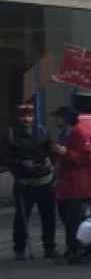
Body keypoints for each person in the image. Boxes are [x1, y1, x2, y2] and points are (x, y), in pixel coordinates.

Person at [4, 100, 57, 260]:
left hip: (45, 181)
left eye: (29, 116)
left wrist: (50, 160)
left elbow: (51, 149)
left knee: (48, 217)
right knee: (21, 218)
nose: (27, 119)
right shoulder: (9, 134)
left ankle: (49, 248)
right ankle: (19, 249)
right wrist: (20, 163)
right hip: (24, 183)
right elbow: (4, 158)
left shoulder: (42, 131)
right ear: (17, 118)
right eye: (23, 116)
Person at [48, 106, 91, 263]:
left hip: (78, 185)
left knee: (74, 220)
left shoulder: (80, 133)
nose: (55, 120)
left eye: (58, 117)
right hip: (66, 185)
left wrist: (66, 153)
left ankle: (78, 250)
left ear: (65, 118)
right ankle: (74, 249)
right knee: (68, 219)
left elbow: (86, 158)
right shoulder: (65, 134)